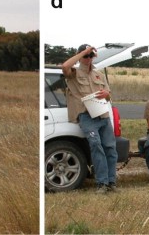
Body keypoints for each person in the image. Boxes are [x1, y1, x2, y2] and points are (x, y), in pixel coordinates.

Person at [62, 44, 117, 193]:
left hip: (103, 115)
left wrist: (106, 94)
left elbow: (109, 95)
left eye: (90, 55)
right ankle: (101, 183)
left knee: (110, 148)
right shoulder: (74, 73)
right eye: (85, 56)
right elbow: (65, 66)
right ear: (80, 56)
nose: (88, 58)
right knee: (96, 146)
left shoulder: (99, 74)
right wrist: (83, 52)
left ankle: (111, 182)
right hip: (87, 116)